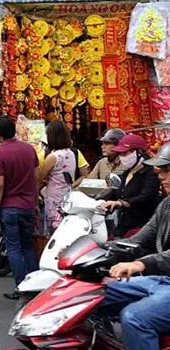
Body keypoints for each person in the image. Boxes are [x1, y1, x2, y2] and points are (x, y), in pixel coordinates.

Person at [97, 143, 170, 350]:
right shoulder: (166, 205)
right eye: (160, 170)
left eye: (166, 170)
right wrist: (95, 250)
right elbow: (137, 240)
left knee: (135, 318)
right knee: (90, 296)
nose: (160, 176)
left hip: (163, 280)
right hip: (161, 280)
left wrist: (141, 264)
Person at [0, 116, 41, 299]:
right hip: (28, 205)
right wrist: (35, 203)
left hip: (9, 206)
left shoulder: (0, 154)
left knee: (14, 247)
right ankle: (35, 284)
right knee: (28, 246)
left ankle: (21, 286)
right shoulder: (29, 149)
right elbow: (36, 178)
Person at [101, 134, 161, 237]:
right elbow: (112, 194)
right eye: (121, 154)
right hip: (121, 227)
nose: (122, 157)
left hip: (143, 229)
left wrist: (121, 203)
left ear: (139, 153)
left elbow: (146, 197)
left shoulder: (151, 174)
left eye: (125, 153)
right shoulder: (124, 174)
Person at [35, 121, 79, 234]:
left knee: (54, 230)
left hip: (54, 198)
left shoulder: (53, 157)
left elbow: (39, 178)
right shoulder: (71, 153)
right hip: (66, 195)